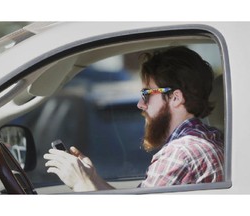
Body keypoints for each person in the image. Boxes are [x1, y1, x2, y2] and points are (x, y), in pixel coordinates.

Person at [43, 46, 224, 191]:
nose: (140, 104)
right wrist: (92, 178)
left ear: (175, 98)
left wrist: (80, 183)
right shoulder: (207, 137)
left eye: (146, 93)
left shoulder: (180, 154)